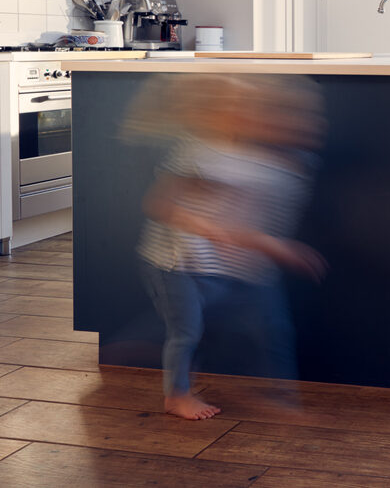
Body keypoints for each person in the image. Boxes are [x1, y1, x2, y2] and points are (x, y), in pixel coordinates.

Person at [133, 75, 328, 419]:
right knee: (186, 330)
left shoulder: (251, 155)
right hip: (176, 264)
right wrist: (217, 231)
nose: (243, 114)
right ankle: (176, 395)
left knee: (269, 326)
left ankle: (281, 397)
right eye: (232, 108)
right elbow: (159, 203)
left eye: (247, 107)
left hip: (224, 266)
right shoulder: (197, 152)